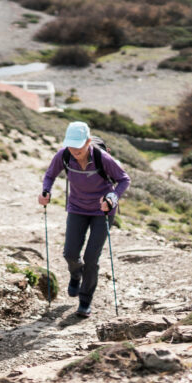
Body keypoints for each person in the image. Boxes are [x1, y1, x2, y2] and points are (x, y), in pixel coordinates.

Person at [38, 121, 131, 317]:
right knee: (70, 253)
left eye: (78, 146)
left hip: (102, 211)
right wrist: (46, 191)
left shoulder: (102, 158)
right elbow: (50, 175)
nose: (74, 150)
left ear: (88, 142)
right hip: (77, 208)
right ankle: (75, 274)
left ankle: (85, 299)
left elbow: (124, 179)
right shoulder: (63, 155)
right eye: (71, 145)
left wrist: (112, 198)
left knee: (91, 258)